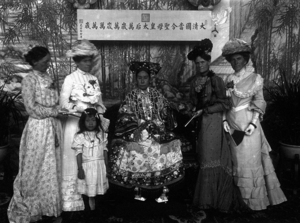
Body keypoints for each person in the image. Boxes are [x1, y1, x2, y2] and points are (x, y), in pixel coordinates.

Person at [221, 38, 287, 210]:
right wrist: (223, 120)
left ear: (246, 60)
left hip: (249, 123)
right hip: (233, 123)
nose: (236, 62)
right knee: (236, 161)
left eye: (239, 59)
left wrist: (254, 123)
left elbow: (260, 101)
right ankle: (238, 200)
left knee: (249, 161)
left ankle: (254, 203)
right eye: (233, 60)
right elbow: (224, 102)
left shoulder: (255, 78)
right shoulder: (228, 78)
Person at [109, 61, 184, 202]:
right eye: (139, 77)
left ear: (150, 79)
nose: (142, 80)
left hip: (156, 132)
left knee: (169, 145)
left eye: (145, 77)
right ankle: (137, 188)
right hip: (136, 132)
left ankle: (162, 187)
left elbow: (165, 113)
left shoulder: (157, 95)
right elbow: (124, 117)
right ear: (136, 79)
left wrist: (163, 115)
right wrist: (139, 125)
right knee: (131, 149)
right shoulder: (130, 96)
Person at [187, 39, 246, 212]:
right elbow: (192, 102)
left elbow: (225, 104)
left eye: (203, 62)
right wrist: (189, 108)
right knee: (202, 158)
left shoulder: (217, 81)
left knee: (209, 159)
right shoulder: (193, 82)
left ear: (208, 62)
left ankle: (212, 200)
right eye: (197, 63)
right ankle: (207, 197)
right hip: (199, 124)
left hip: (213, 123)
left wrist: (205, 110)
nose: (200, 66)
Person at [7, 46, 62, 222]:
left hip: (52, 126)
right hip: (38, 128)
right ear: (35, 61)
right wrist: (52, 112)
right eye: (45, 61)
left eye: (48, 61)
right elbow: (31, 108)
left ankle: (49, 209)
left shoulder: (48, 77)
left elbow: (53, 101)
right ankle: (32, 208)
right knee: (34, 167)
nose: (48, 64)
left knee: (50, 166)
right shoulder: (29, 80)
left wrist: (59, 109)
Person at [60, 40, 109, 212]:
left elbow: (100, 104)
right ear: (77, 61)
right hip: (75, 126)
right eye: (85, 60)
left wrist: (100, 118)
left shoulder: (94, 79)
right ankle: (73, 201)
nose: (89, 63)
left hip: (92, 127)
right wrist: (80, 110)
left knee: (92, 160)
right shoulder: (70, 79)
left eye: (90, 60)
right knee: (76, 161)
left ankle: (91, 196)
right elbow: (63, 103)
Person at [72, 108, 109, 217]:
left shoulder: (101, 135)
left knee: (99, 190)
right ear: (83, 122)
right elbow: (78, 153)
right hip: (87, 167)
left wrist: (107, 166)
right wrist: (80, 169)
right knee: (87, 190)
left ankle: (98, 211)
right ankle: (87, 211)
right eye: (87, 121)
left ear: (97, 121)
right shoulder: (80, 136)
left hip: (99, 166)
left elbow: (105, 151)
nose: (90, 123)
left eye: (93, 120)